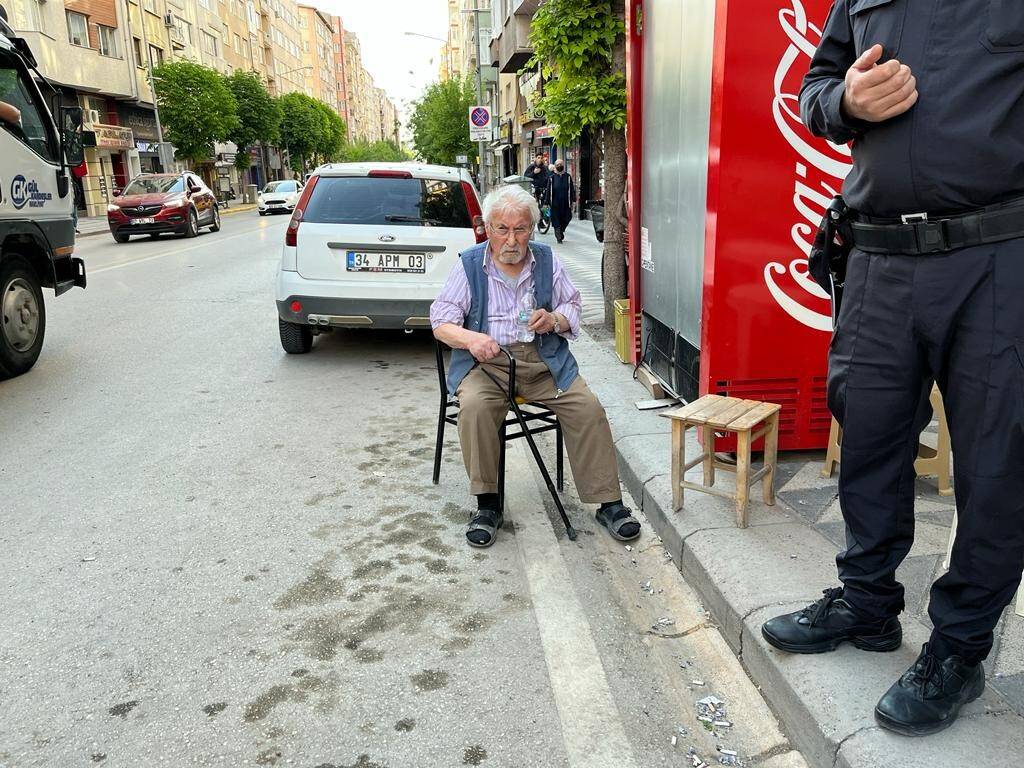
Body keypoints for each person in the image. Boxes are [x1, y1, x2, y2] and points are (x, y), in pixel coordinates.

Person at [760, 3, 1024, 738]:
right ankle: (867, 605)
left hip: (997, 256)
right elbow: (815, 86)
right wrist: (843, 100)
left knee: (998, 465)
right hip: (876, 256)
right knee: (869, 436)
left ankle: (960, 648)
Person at [430, 184, 641, 549]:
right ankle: (487, 505)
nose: (511, 240)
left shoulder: (546, 260)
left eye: (521, 229)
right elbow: (441, 321)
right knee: (476, 408)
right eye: (502, 229)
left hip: (543, 360)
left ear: (532, 227)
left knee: (587, 408)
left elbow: (572, 305)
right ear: (488, 227)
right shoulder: (468, 265)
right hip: (489, 365)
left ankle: (610, 503)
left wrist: (555, 320)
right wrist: (472, 339)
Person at [545, 160, 576, 244]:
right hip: (555, 203)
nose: (559, 166)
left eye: (561, 164)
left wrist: (574, 199)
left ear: (563, 165)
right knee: (556, 220)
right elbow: (548, 190)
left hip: (566, 202)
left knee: (567, 218)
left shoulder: (568, 177)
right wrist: (546, 202)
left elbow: (571, 189)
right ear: (555, 166)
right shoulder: (552, 178)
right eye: (558, 164)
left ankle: (561, 230)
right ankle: (558, 236)